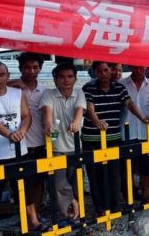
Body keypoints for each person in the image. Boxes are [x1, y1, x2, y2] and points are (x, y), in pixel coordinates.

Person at [81, 61, 149, 215]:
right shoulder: (89, 87)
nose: (104, 74)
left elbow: (129, 104)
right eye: (100, 71)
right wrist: (96, 122)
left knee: (114, 173)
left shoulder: (119, 87)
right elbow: (89, 107)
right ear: (95, 73)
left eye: (107, 70)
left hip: (113, 137)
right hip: (92, 138)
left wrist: (142, 117)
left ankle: (114, 206)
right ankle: (99, 207)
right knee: (95, 174)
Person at [0, 62, 34, 234]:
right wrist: (9, 134)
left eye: (1, 74)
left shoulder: (17, 93)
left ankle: (33, 220)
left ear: (7, 76)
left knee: (25, 187)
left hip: (18, 150)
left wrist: (22, 130)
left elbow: (26, 115)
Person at [39, 63, 86, 227]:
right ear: (55, 79)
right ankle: (68, 211)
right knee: (59, 183)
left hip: (75, 146)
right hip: (56, 147)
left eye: (70, 76)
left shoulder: (79, 92)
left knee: (76, 181)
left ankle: (78, 213)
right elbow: (47, 112)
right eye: (61, 77)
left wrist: (75, 121)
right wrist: (49, 124)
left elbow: (79, 110)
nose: (66, 80)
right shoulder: (48, 94)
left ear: (75, 78)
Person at [9, 52, 47, 228]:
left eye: (35, 67)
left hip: (40, 142)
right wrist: (9, 84)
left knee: (39, 181)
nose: (31, 71)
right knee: (22, 183)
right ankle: (26, 216)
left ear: (40, 68)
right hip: (19, 144)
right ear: (20, 68)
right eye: (27, 67)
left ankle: (35, 215)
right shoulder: (12, 88)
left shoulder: (45, 90)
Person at [119, 65, 149, 202]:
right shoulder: (121, 84)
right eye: (135, 68)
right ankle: (130, 194)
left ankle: (145, 192)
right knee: (127, 166)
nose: (138, 71)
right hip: (126, 130)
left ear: (146, 68)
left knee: (146, 165)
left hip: (146, 131)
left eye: (141, 68)